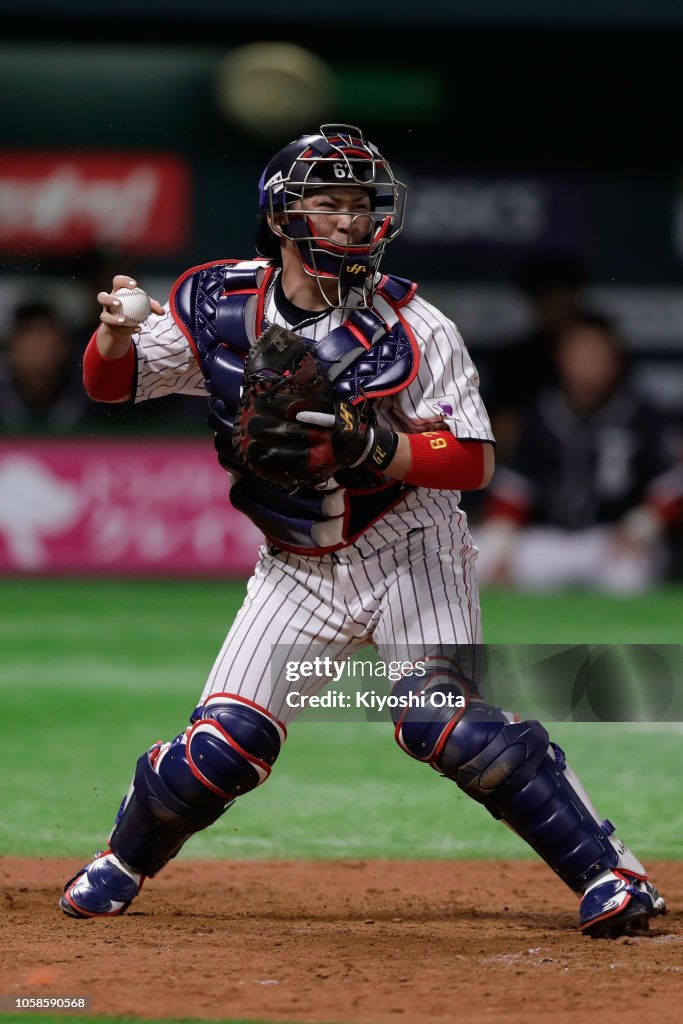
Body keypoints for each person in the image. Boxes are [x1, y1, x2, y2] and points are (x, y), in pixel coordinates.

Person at [60, 124, 665, 938]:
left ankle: (611, 874)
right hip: (295, 568)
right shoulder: (218, 302)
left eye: (361, 203)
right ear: (283, 215)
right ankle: (122, 861)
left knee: (441, 721)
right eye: (328, 203)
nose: (350, 221)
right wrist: (113, 333)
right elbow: (113, 383)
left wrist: (368, 443)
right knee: (220, 752)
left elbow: (472, 458)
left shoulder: (417, 324)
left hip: (410, 546)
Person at [476, 313, 682, 590]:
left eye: (598, 355)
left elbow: (672, 486)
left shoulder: (644, 416)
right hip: (549, 540)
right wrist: (501, 545)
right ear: (561, 358)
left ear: (616, 360)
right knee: (480, 557)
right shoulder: (539, 413)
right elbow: (513, 490)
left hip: (613, 539)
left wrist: (640, 527)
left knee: (629, 575)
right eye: (580, 355)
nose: (589, 365)